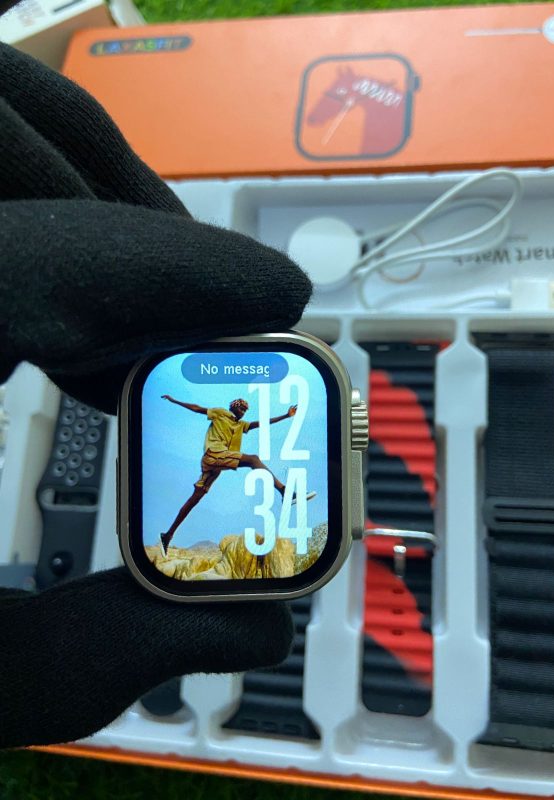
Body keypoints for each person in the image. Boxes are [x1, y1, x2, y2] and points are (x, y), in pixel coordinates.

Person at [0, 25, 311, 748]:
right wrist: (175, 401)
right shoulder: (219, 413)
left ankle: (211, 516)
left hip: (223, 460)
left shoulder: (235, 418)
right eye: (242, 401)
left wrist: (285, 411)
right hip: (210, 463)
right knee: (204, 495)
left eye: (244, 403)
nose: (241, 403)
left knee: (256, 467)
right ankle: (172, 530)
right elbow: (190, 402)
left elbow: (249, 424)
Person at [159, 395, 315, 556]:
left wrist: (286, 416)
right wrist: (175, 400)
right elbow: (197, 408)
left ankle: (168, 535)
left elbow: (260, 424)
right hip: (214, 454)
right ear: (233, 407)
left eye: (245, 410)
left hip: (217, 464)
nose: (243, 412)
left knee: (195, 498)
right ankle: (285, 492)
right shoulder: (220, 413)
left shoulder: (240, 425)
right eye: (241, 408)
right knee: (253, 460)